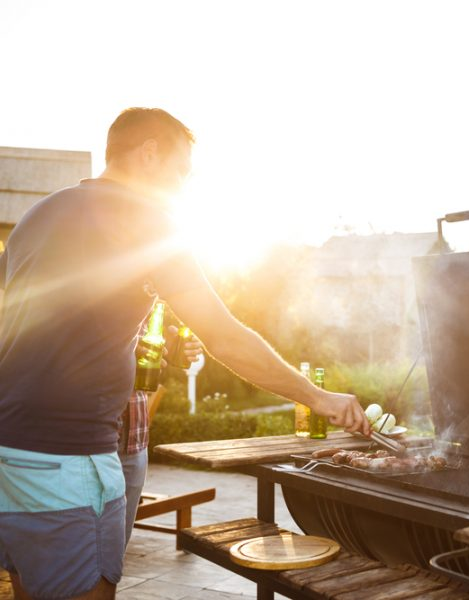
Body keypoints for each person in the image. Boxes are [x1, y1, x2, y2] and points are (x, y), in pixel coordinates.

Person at [0, 107, 370, 600]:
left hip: (9, 454)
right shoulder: (147, 221)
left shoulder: (39, 215)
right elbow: (226, 337)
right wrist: (316, 396)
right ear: (149, 154)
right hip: (69, 461)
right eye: (180, 172)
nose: (182, 187)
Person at [118, 323, 203, 546]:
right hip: (92, 443)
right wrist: (122, 352)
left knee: (115, 552)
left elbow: (151, 357)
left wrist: (173, 350)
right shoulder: (91, 296)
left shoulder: (148, 308)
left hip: (135, 442)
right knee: (77, 552)